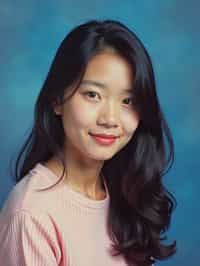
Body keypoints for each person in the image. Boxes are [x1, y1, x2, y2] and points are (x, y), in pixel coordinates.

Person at [0, 19, 177, 266]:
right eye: (93, 95)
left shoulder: (124, 192)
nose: (110, 119)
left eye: (127, 101)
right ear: (57, 100)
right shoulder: (31, 216)